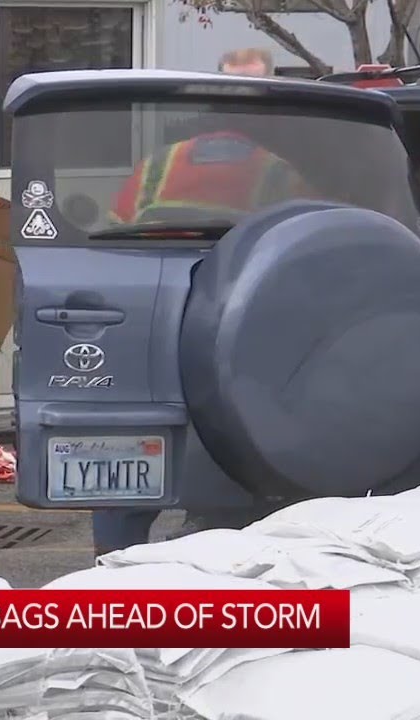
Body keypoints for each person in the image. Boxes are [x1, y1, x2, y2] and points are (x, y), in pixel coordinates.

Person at [94, 47, 298, 557]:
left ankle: (113, 579)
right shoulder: (282, 172)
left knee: (132, 474)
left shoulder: (156, 167)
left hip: (159, 330)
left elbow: (113, 243)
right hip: (244, 341)